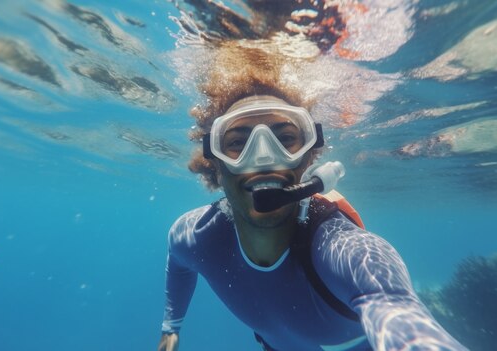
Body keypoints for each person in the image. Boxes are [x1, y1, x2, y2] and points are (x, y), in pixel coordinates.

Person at [158, 46, 467, 351]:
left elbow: (395, 308)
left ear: (308, 158)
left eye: (286, 139)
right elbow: (179, 263)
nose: (264, 159)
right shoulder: (196, 236)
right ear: (215, 163)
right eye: (238, 142)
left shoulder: (349, 252)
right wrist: (170, 330)